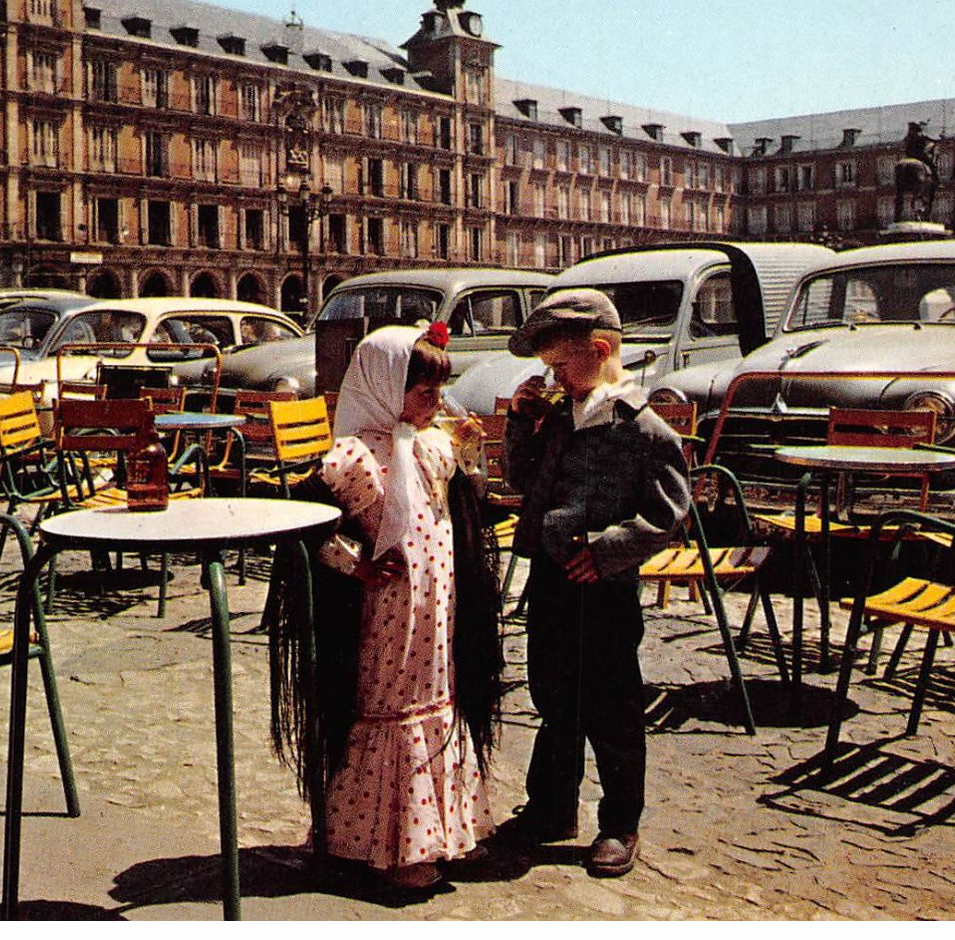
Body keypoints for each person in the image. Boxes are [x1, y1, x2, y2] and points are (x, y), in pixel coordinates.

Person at [269, 323, 501, 894]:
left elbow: (465, 510)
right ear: (386, 385)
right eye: (424, 392)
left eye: (439, 392)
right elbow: (302, 528)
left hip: (435, 613)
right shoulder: (352, 457)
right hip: (387, 618)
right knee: (389, 712)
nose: (436, 403)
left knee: (436, 701)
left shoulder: (432, 445)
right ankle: (386, 847)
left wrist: (472, 456)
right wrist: (356, 564)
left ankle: (443, 831)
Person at [500, 288, 690, 879]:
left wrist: (609, 550)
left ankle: (620, 822)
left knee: (611, 705)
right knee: (554, 696)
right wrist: (519, 423)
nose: (551, 377)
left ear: (601, 349)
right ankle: (552, 808)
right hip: (552, 580)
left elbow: (669, 512)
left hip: (604, 591)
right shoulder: (560, 416)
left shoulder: (644, 428)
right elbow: (525, 478)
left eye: (558, 365)